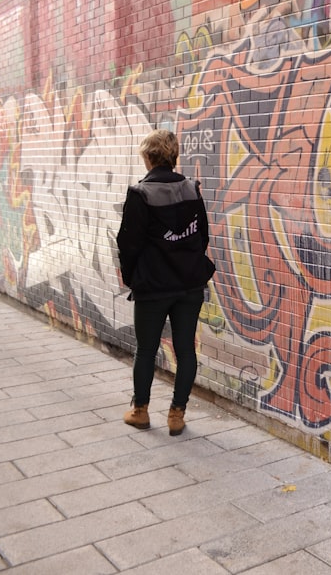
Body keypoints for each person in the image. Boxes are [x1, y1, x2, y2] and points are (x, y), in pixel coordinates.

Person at [116, 128, 215, 435]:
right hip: (189, 286)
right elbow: (203, 237)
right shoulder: (191, 189)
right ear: (173, 157)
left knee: (146, 350)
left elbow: (128, 244)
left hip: (154, 287)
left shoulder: (140, 194)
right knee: (186, 350)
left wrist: (135, 278)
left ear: (149, 158)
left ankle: (141, 411)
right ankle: (177, 414)